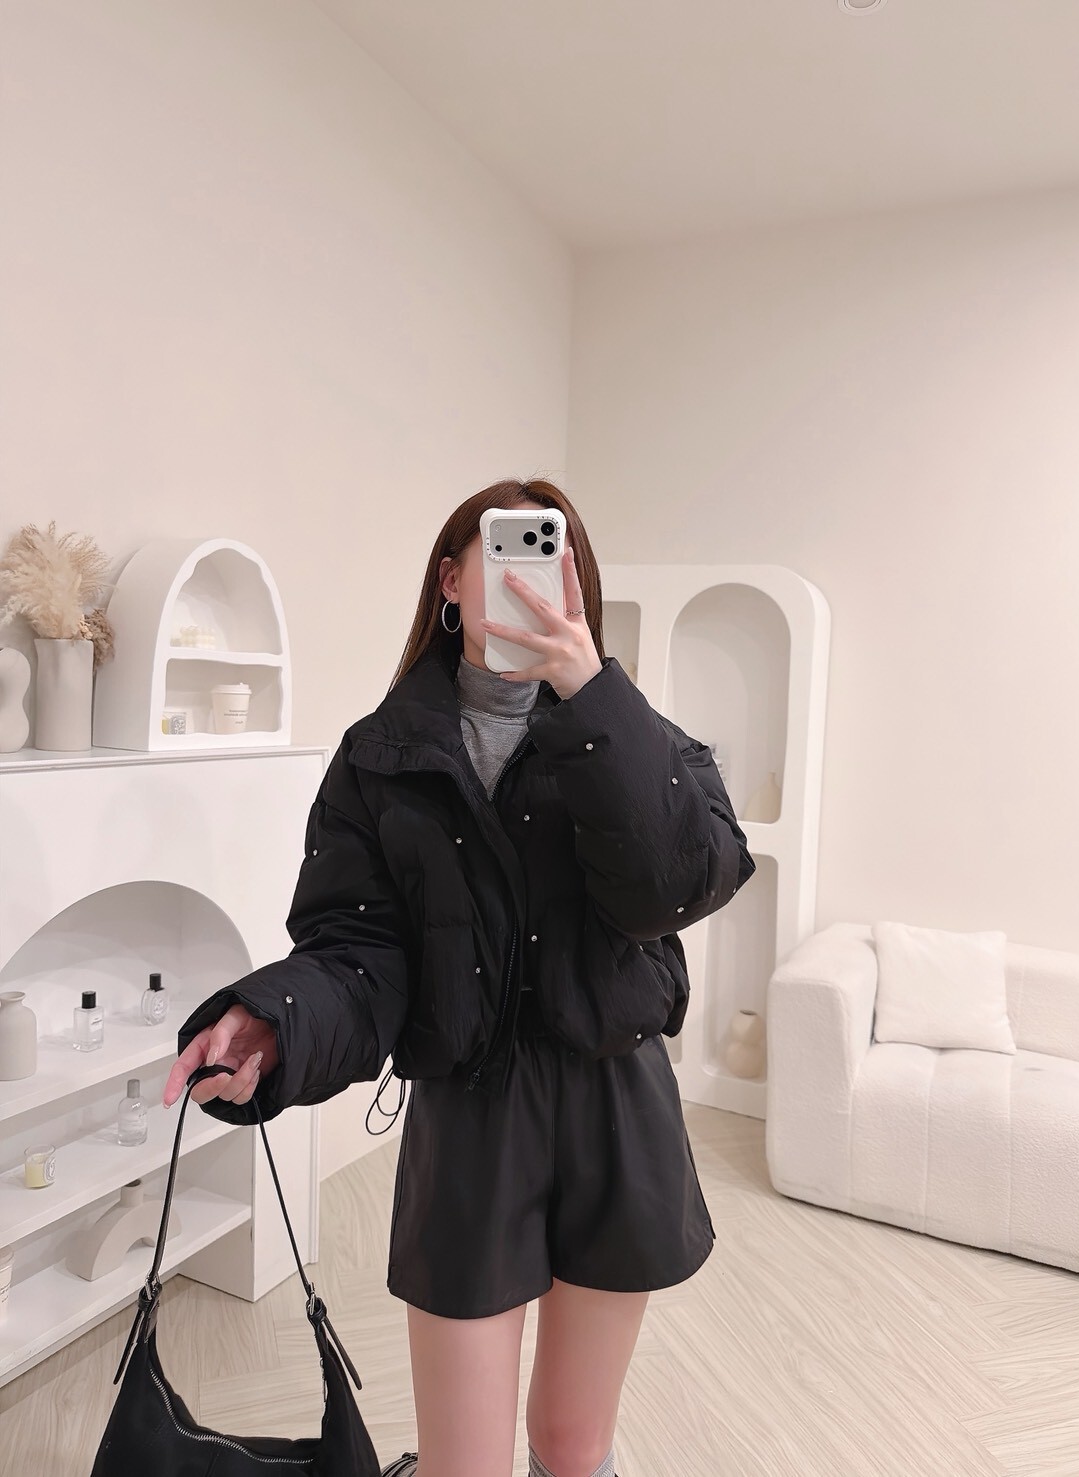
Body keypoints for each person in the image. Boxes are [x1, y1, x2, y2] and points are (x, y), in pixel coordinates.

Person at [162, 477, 756, 1477]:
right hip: (472, 1115)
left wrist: (590, 691)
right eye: (508, 552)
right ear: (451, 578)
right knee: (464, 1463)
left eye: (554, 560)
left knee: (573, 1445)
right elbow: (358, 949)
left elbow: (677, 886)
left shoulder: (635, 736)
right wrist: (278, 1020)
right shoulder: (379, 758)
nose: (532, 578)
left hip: (617, 1106)